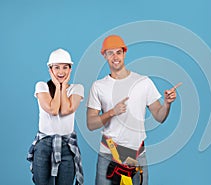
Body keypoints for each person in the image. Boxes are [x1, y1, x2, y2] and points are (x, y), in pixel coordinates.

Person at [86, 35, 178, 185]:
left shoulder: (143, 82)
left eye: (118, 52)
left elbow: (159, 116)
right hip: (108, 155)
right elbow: (91, 124)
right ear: (104, 55)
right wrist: (112, 112)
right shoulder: (99, 86)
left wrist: (167, 104)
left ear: (124, 53)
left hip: (137, 156)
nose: (115, 57)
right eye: (110, 53)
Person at [27, 48, 84, 185]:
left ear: (70, 69)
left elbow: (66, 110)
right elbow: (53, 109)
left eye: (65, 67)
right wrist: (57, 87)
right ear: (50, 69)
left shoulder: (77, 88)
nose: (61, 71)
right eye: (56, 67)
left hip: (67, 146)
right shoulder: (41, 86)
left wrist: (63, 86)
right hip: (44, 145)